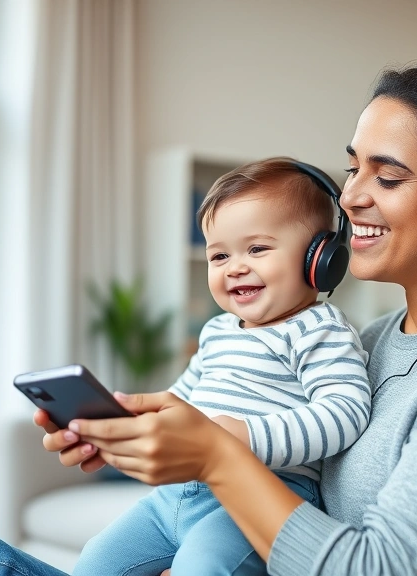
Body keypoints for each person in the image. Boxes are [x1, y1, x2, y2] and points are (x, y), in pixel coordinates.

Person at [0, 34, 417, 576]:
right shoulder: (375, 339)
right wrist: (130, 434)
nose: (349, 198)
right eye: (352, 166)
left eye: (389, 175)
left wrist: (218, 456)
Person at [71, 157, 371, 575]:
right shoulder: (217, 330)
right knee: (95, 563)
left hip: (261, 496)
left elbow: (345, 412)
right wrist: (120, 426)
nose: (235, 267)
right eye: (218, 256)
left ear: (319, 258)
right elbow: (179, 399)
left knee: (203, 567)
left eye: (258, 248)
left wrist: (244, 437)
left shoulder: (319, 328)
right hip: (175, 497)